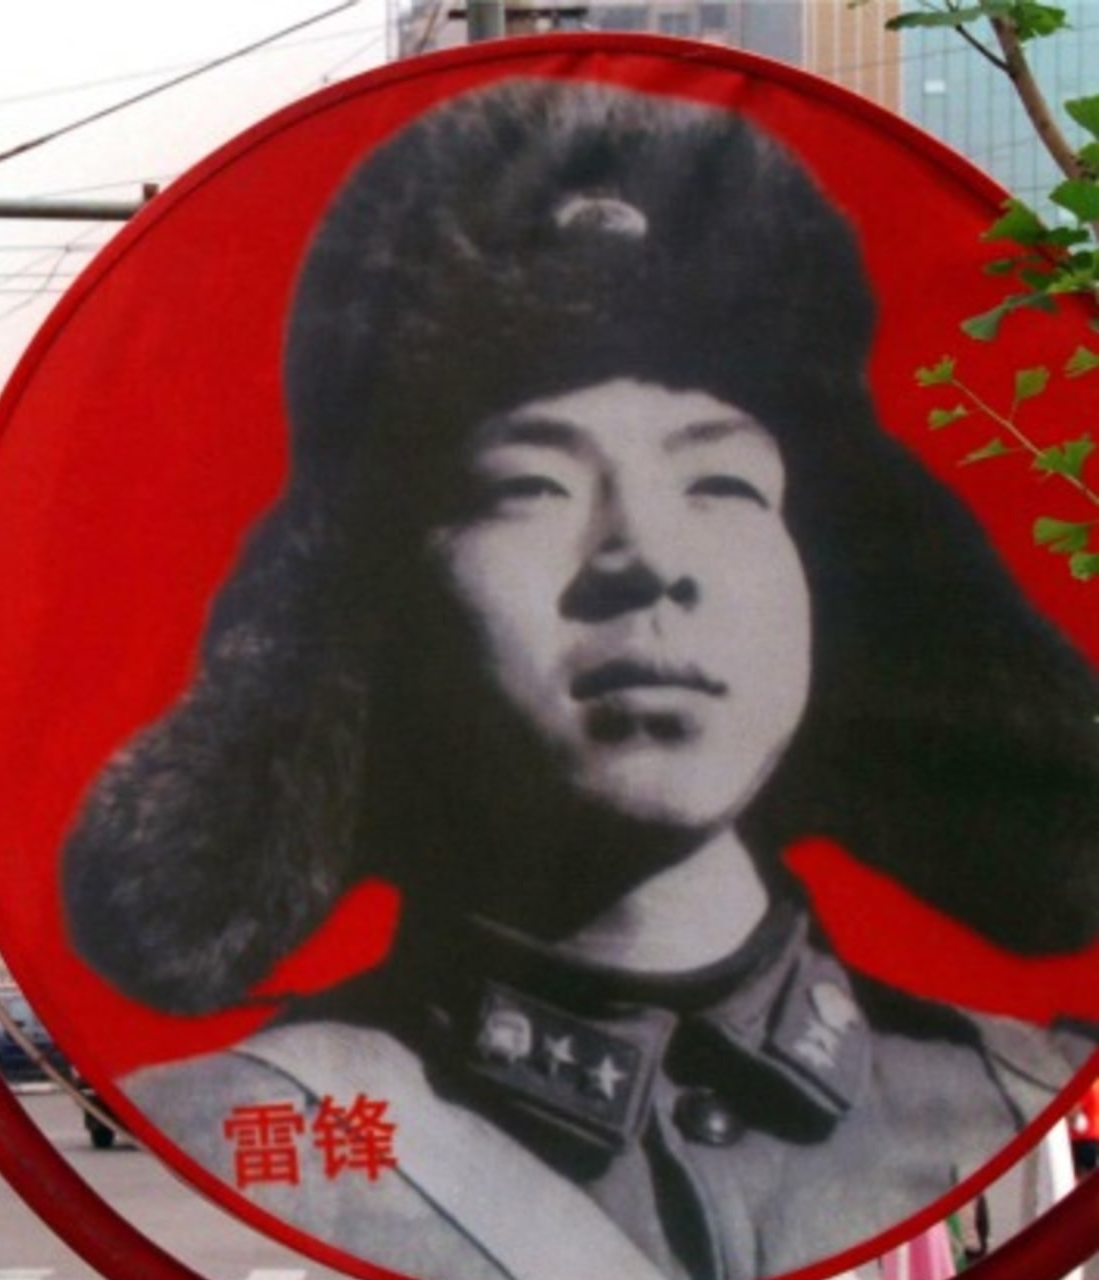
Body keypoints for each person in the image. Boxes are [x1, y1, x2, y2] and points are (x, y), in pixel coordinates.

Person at [59, 77, 1099, 1280]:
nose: (646, 559)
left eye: (723, 484)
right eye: (530, 487)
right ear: (369, 601)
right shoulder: (248, 1122)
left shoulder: (1005, 1097)